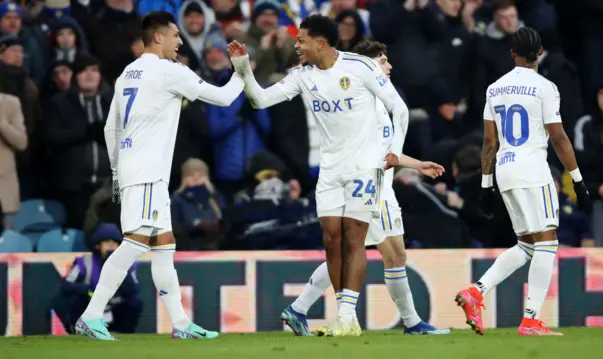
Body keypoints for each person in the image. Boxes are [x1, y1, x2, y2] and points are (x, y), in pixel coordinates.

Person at [228, 15, 410, 336]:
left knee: (354, 238)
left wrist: (395, 149)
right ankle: (346, 319)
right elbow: (259, 100)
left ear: (320, 43)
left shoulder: (360, 67)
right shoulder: (301, 76)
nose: (296, 45)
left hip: (365, 167)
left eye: (301, 40)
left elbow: (400, 108)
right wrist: (243, 68)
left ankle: (346, 315)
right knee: (331, 241)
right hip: (329, 171)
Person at [74, 11, 246, 341]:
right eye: (176, 36)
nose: (180, 42)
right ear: (158, 38)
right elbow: (224, 98)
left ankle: (180, 323)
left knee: (164, 246)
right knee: (135, 244)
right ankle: (92, 314)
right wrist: (241, 70)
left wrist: (117, 169)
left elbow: (112, 126)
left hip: (135, 169)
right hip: (149, 171)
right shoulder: (169, 71)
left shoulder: (127, 73)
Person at [279, 40, 449, 336]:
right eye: (382, 61)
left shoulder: (379, 102)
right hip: (369, 185)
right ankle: (412, 323)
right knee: (390, 254)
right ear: (369, 67)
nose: (389, 66)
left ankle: (299, 308)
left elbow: (386, 151)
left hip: (383, 186)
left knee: (371, 253)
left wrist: (416, 163)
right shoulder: (364, 103)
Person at [454, 27, 591, 337]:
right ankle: (531, 320)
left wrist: (486, 184)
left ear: (512, 53)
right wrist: (578, 180)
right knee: (548, 243)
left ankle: (476, 292)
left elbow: (489, 142)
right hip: (533, 169)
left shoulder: (494, 88)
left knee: (526, 245)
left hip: (505, 169)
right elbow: (558, 136)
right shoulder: (546, 88)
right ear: (540, 52)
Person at [52, 223, 143, 335]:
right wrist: (87, 290)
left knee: (135, 302)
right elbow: (66, 286)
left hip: (115, 309)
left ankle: (125, 333)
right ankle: (79, 330)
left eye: (114, 243)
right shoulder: (84, 262)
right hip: (91, 307)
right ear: (98, 245)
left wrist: (121, 269)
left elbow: (134, 290)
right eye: (107, 242)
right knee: (76, 299)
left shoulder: (128, 264)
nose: (111, 246)